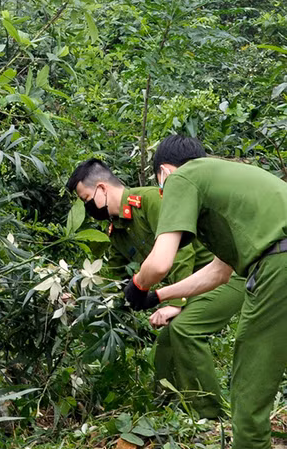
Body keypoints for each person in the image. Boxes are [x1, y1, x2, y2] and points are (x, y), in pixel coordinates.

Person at [124, 134, 287, 449]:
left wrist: (139, 284)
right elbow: (219, 271)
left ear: (163, 173)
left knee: (248, 390)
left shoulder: (183, 178)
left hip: (278, 267)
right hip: (278, 259)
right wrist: (159, 297)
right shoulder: (224, 182)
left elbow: (160, 262)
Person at [66, 159, 244, 419]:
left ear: (102, 189)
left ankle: (211, 417)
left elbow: (182, 253)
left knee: (184, 330)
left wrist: (175, 303)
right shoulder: (117, 231)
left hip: (223, 273)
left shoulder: (151, 201)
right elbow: (115, 280)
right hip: (194, 285)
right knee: (164, 344)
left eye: (86, 199)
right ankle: (168, 411)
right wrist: (83, 299)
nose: (87, 208)